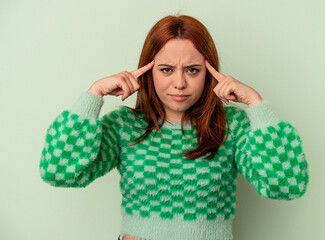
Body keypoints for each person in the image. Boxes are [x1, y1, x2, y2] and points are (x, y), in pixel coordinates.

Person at [39, 14, 309, 240]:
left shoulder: (233, 126)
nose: (179, 83)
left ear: (209, 72)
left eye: (192, 70)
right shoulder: (123, 126)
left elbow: (288, 184)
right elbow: (59, 172)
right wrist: (93, 94)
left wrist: (256, 105)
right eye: (166, 69)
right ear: (147, 71)